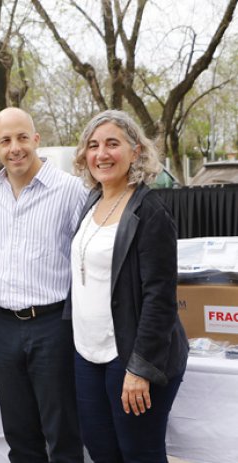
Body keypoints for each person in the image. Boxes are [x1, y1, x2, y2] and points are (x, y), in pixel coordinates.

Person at [67, 109, 188, 462]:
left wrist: (140, 368)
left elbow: (160, 297)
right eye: (93, 145)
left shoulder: (150, 211)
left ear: (135, 151)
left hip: (131, 356)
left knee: (139, 453)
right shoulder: (92, 202)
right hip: (88, 355)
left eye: (112, 144)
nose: (101, 154)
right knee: (101, 450)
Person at [0, 107, 86, 462]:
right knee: (19, 434)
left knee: (62, 432)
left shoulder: (70, 190)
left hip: (54, 326)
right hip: (4, 326)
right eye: (5, 141)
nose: (15, 148)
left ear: (37, 140)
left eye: (22, 137)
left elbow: (87, 254)